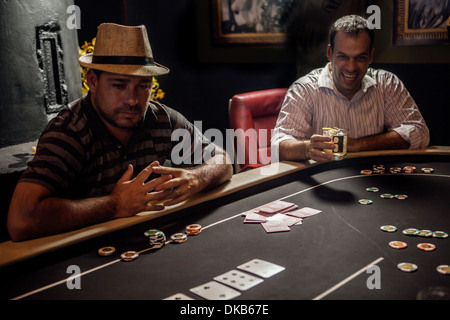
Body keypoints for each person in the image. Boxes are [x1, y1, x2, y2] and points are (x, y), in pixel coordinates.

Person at [7, 23, 233, 241]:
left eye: (143, 86)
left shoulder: (161, 118)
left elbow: (223, 161)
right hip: (79, 259)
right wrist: (114, 204)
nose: (133, 100)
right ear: (93, 81)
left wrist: (196, 178)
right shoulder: (69, 131)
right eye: (119, 85)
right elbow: (21, 221)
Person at [271, 14, 430, 163]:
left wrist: (357, 145)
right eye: (343, 57)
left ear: (371, 56)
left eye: (360, 57)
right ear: (330, 53)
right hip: (324, 182)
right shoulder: (304, 90)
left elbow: (419, 132)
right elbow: (278, 146)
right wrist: (307, 149)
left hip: (375, 176)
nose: (351, 67)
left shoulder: (387, 84)